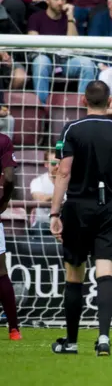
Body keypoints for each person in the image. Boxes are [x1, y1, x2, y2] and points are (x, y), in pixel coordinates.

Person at [49, 81, 112, 356]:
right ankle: (103, 338)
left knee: (75, 274)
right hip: (110, 206)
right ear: (110, 101)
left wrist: (54, 212)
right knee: (105, 271)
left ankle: (72, 341)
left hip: (78, 207)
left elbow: (64, 172)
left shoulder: (72, 129)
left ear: (82, 100)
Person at [0, 132, 19, 340]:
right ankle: (14, 329)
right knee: (1, 271)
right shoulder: (3, 141)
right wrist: (4, 200)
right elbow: (10, 177)